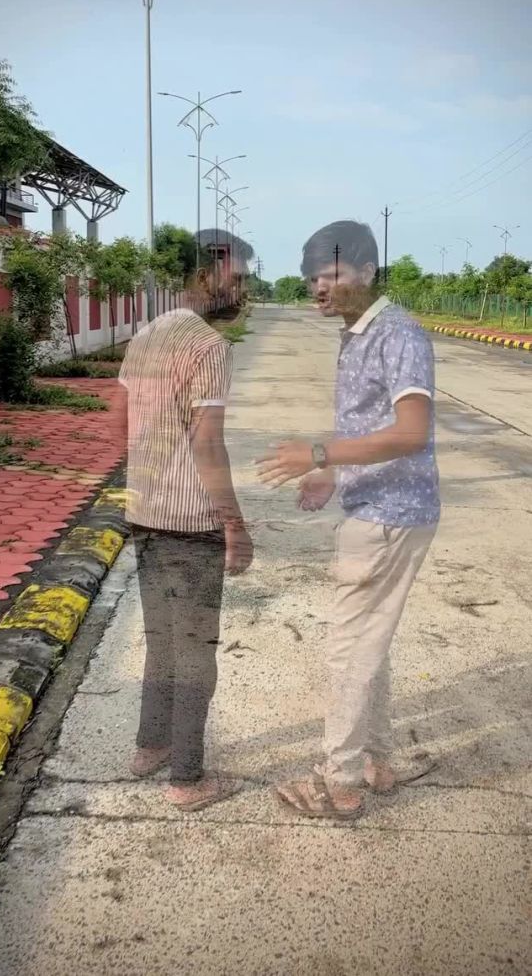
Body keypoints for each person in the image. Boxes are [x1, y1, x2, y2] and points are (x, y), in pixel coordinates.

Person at [257, 220, 440, 819]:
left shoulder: (396, 333)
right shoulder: (358, 332)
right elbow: (370, 424)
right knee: (371, 642)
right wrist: (333, 471)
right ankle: (375, 763)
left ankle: (338, 783)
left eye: (332, 274)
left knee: (350, 647)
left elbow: (411, 433)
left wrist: (319, 453)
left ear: (366, 271)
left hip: (390, 513)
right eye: (313, 276)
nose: (319, 286)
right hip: (377, 505)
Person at [118, 262, 253, 812]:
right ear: (202, 280)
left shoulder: (145, 336)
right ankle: (187, 779)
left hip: (145, 512)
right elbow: (208, 443)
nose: (242, 291)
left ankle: (149, 747)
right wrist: (234, 524)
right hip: (191, 521)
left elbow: (123, 421)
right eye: (235, 280)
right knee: (196, 651)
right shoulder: (208, 347)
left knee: (162, 640)